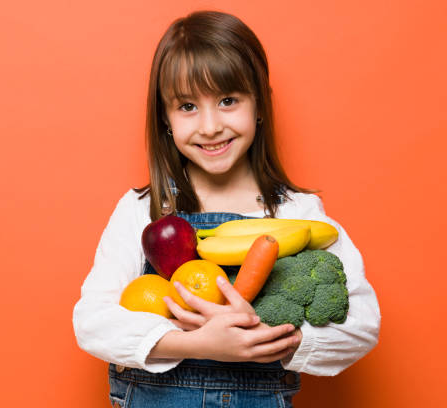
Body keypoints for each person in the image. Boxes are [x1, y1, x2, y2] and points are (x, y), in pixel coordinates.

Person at [73, 10, 380, 408]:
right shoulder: (144, 210)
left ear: (260, 106)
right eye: (187, 106)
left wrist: (269, 338)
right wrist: (195, 342)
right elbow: (92, 321)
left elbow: (362, 326)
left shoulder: (297, 214)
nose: (211, 125)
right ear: (165, 118)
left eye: (228, 100)